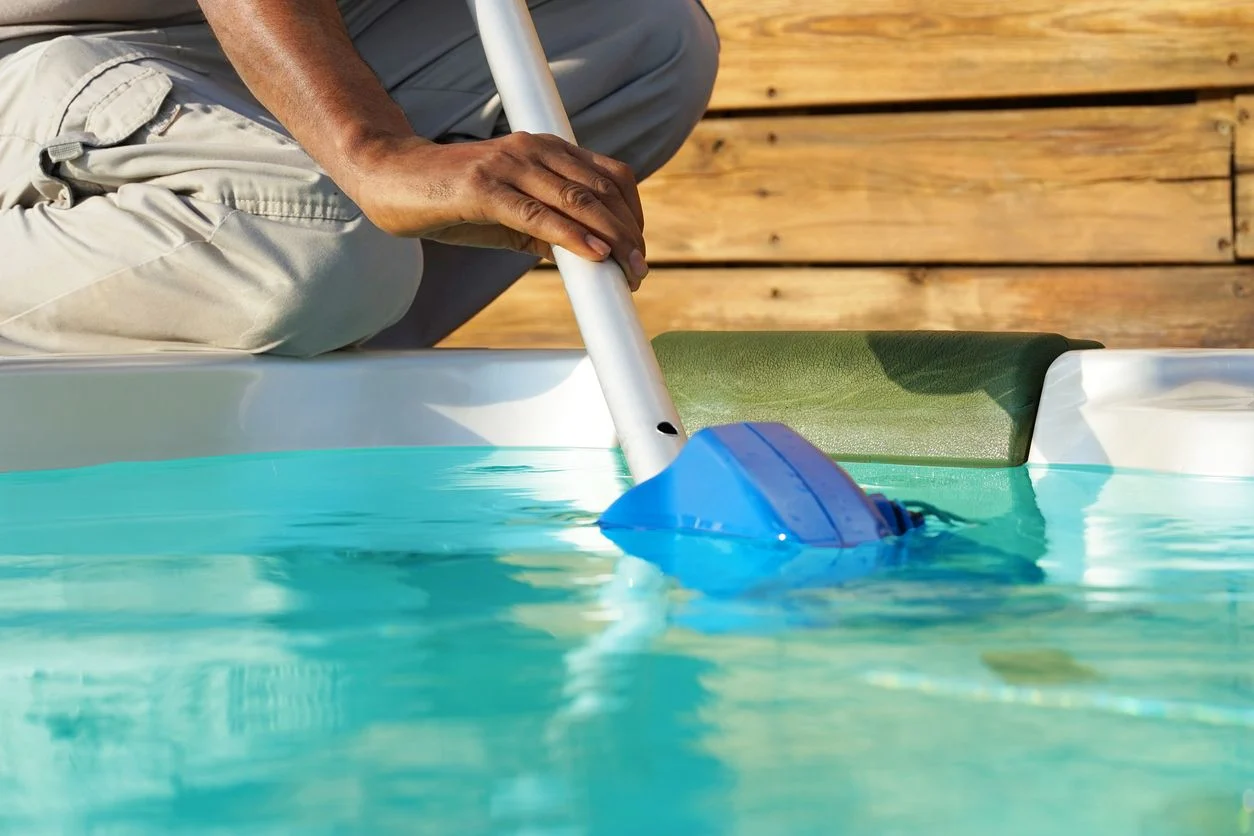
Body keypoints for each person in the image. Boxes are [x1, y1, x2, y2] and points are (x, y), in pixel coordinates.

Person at [0, 0, 718, 356]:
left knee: (648, 39)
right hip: (36, 53)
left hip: (316, 31)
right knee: (319, 238)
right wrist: (371, 149)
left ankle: (347, 358)